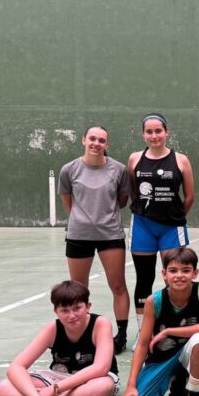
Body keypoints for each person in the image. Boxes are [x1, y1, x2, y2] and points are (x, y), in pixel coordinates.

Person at [0, 280, 119, 396]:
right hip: (58, 379)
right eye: (65, 310)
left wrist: (52, 391)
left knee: (102, 388)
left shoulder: (100, 324)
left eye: (77, 308)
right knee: (3, 387)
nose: (71, 315)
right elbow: (16, 367)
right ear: (56, 311)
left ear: (88, 306)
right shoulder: (53, 328)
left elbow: (101, 368)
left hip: (92, 379)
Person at [120, 248, 199, 396]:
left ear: (195, 273)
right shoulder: (153, 301)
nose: (179, 275)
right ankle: (177, 380)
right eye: (173, 270)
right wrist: (131, 385)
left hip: (188, 352)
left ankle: (193, 395)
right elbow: (142, 345)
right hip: (162, 358)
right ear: (164, 274)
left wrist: (168, 331)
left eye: (186, 270)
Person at [58, 125, 132, 353]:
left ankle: (120, 335)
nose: (96, 144)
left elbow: (121, 201)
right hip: (79, 236)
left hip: (110, 235)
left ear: (107, 145)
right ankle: (82, 334)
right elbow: (68, 202)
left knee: (118, 285)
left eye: (101, 140)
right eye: (92, 139)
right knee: (79, 290)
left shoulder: (119, 170)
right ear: (83, 140)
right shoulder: (69, 170)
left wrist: (101, 217)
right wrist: (83, 220)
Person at [127, 113, 195, 341]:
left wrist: (172, 216)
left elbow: (190, 197)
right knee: (144, 279)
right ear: (143, 134)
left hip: (171, 228)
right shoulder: (135, 159)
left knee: (176, 278)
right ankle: (142, 332)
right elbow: (134, 193)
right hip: (142, 226)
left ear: (167, 132)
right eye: (149, 131)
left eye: (158, 131)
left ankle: (175, 326)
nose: (154, 135)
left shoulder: (181, 160)